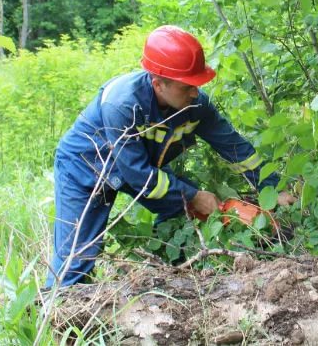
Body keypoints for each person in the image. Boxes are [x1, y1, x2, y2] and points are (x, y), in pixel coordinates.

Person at [46, 25, 294, 287]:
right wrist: (193, 196)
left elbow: (235, 149)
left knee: (181, 218)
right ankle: (58, 313)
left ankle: (164, 280)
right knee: (76, 261)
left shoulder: (195, 105)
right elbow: (138, 174)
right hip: (86, 167)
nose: (195, 92)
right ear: (158, 84)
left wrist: (273, 188)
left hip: (138, 169)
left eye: (197, 85)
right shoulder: (122, 104)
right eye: (188, 86)